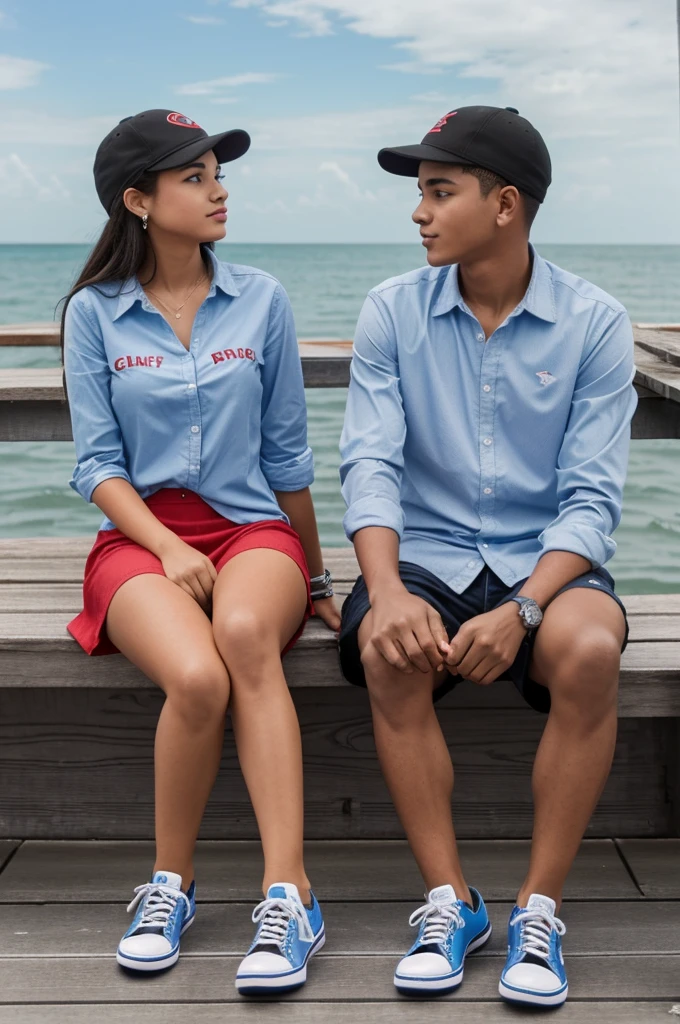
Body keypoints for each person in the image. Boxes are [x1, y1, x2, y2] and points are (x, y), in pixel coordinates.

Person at [338, 105, 636, 1009]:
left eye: (439, 192)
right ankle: (449, 901)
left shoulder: (595, 322)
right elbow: (370, 465)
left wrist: (526, 609)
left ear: (505, 204)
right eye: (421, 194)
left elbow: (592, 499)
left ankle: (538, 911)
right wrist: (384, 589)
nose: (419, 213)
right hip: (422, 553)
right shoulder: (392, 309)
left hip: (544, 563)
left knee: (588, 652)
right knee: (389, 647)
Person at [62, 108, 340, 991]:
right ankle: (170, 886)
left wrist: (318, 570)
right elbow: (99, 466)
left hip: (252, 527)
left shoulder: (262, 298)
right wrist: (164, 548)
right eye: (195, 177)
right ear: (138, 200)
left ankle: (289, 894)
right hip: (138, 536)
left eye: (218, 173)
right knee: (196, 677)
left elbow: (288, 454)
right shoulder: (93, 315)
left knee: (248, 636)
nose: (219, 189)